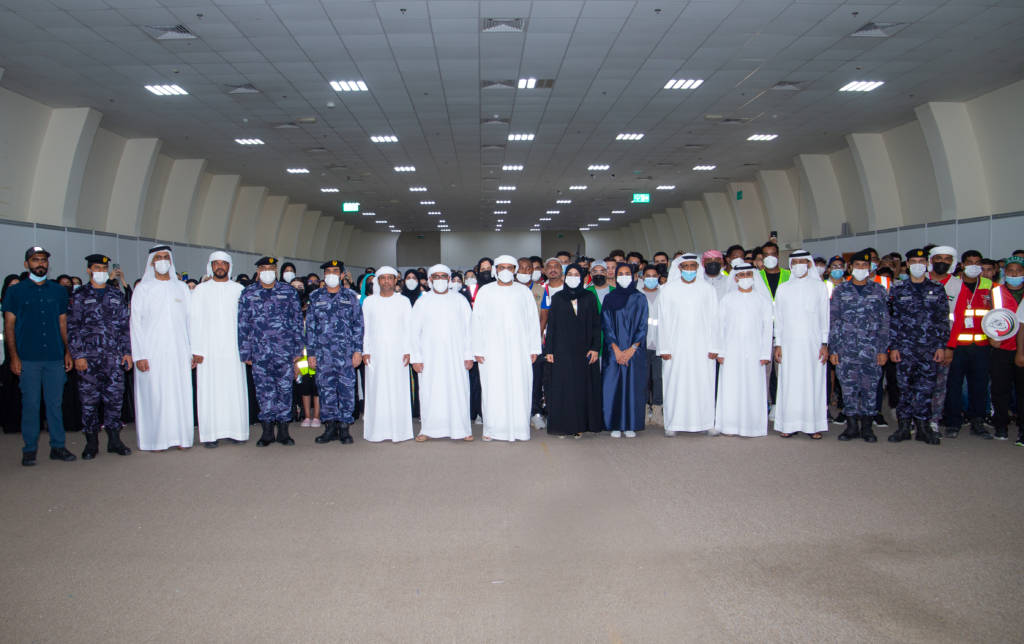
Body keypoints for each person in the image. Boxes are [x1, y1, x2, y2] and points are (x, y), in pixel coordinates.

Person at [3, 247, 76, 465]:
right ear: (27, 264)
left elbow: (63, 324)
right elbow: (9, 326)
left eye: (43, 260)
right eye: (35, 260)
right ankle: (30, 449)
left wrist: (68, 352)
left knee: (54, 404)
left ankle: (58, 447)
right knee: (31, 404)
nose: (40, 264)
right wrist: (14, 357)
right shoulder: (15, 292)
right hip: (28, 358)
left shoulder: (58, 291)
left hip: (54, 357)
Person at [66, 253, 133, 459]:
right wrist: (78, 355)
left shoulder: (116, 295)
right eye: (97, 268)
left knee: (114, 400)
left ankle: (114, 440)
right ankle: (91, 443)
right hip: (89, 359)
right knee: (89, 402)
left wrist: (127, 352)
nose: (101, 272)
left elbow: (124, 327)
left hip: (113, 358)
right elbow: (73, 327)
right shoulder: (79, 296)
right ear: (88, 270)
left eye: (104, 269)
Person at [130, 245, 195, 451]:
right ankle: (156, 440)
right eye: (158, 257)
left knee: (179, 393)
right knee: (155, 395)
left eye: (166, 257)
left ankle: (181, 438)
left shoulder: (181, 288)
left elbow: (190, 322)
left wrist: (193, 350)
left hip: (179, 350)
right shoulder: (143, 289)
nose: (162, 260)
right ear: (151, 262)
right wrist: (139, 355)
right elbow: (136, 323)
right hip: (152, 351)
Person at [471, 255, 541, 442]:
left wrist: (533, 348)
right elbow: (476, 321)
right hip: (491, 351)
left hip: (520, 350)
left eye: (510, 268)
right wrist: (477, 348)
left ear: (515, 270)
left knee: (520, 387)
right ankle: (492, 429)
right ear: (495, 270)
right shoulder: (485, 292)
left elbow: (533, 322)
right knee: (493, 388)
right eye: (501, 267)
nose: (505, 271)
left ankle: (519, 429)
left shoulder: (523, 292)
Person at [237, 257, 304, 446]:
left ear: (276, 270)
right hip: (259, 352)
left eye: (271, 268)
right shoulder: (248, 293)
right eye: (263, 268)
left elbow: (297, 322)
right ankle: (267, 432)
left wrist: (299, 350)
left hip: (285, 351)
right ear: (258, 271)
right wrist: (245, 352)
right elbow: (242, 325)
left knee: (284, 390)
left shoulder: (288, 291)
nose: (267, 271)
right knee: (263, 391)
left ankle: (283, 431)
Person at [888, 248, 948, 445]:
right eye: (913, 261)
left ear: (927, 264)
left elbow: (942, 320)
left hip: (929, 349)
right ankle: (904, 427)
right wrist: (894, 347)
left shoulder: (937, 288)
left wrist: (941, 346)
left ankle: (923, 427)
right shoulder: (898, 289)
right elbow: (893, 319)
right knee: (904, 388)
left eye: (921, 261)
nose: (917, 265)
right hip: (904, 348)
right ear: (907, 265)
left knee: (926, 389)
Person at [829, 250, 890, 443]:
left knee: (870, 388)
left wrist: (883, 350)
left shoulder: (879, 290)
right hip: (846, 349)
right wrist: (834, 349)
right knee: (848, 388)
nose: (861, 269)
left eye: (865, 266)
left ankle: (867, 427)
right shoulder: (841, 291)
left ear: (871, 268)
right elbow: (834, 321)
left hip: (871, 349)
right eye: (857, 266)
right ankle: (852, 426)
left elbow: (884, 322)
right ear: (850, 268)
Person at [189, 251, 248, 448]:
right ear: (211, 266)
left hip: (233, 350)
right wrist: (195, 349)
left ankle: (235, 431)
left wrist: (245, 349)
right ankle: (210, 434)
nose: (220, 267)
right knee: (210, 391)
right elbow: (194, 321)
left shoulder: (239, 289)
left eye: (224, 263)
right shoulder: (200, 290)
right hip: (208, 350)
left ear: (230, 267)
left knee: (233, 390)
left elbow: (246, 322)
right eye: (216, 264)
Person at [655, 254, 718, 436]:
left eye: (693, 266)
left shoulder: (707, 289)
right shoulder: (668, 290)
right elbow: (663, 320)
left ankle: (706, 422)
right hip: (676, 347)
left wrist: (715, 346)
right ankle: (674, 423)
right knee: (676, 384)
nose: (689, 270)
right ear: (679, 268)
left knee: (703, 383)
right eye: (686, 266)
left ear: (698, 268)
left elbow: (714, 319)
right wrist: (664, 348)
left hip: (702, 347)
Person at [410, 264, 474, 441]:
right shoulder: (422, 301)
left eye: (443, 276)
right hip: (430, 357)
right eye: (436, 277)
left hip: (456, 356)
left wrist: (469, 355)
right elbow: (414, 332)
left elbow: (469, 329)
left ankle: (462, 429)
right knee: (430, 391)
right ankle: (428, 429)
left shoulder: (460, 300)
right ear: (430, 280)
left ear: (449, 279)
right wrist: (416, 357)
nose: (439, 280)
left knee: (458, 390)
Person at [773, 250, 829, 438]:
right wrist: (778, 344)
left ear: (809, 264)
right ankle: (788, 425)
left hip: (813, 344)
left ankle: (813, 426)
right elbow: (778, 319)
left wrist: (824, 343)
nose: (798, 265)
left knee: (813, 382)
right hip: (789, 344)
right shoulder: (783, 288)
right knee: (789, 383)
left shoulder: (819, 287)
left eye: (802, 261)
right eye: (794, 262)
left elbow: (825, 317)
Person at [306, 260, 364, 445]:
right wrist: (311, 353)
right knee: (326, 391)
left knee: (346, 391)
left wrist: (358, 350)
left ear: (341, 275)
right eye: (328, 271)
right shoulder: (315, 297)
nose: (331, 274)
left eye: (335, 271)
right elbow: (311, 328)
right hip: (323, 355)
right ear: (324, 275)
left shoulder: (351, 297)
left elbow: (358, 325)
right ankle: (330, 427)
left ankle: (345, 428)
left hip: (346, 354)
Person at [713, 263, 773, 437]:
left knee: (753, 387)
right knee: (731, 387)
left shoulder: (762, 300)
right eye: (742, 275)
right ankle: (730, 425)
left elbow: (767, 328)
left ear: (753, 277)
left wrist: (764, 353)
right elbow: (720, 327)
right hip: (730, 351)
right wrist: (721, 352)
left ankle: (753, 426)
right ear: (736, 278)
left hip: (755, 351)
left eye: (749, 274)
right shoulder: (727, 299)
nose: (745, 278)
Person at [543, 264, 603, 437]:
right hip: (562, 351)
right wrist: (549, 350)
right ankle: (563, 425)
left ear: (583, 276)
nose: (573, 277)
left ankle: (579, 426)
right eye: (570, 274)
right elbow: (551, 325)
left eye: (577, 274)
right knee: (564, 389)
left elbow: (596, 325)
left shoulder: (589, 297)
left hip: (584, 351)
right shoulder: (558, 297)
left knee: (581, 390)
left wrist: (595, 348)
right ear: (564, 276)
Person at [942, 249, 994, 439]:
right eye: (969, 262)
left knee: (979, 386)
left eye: (977, 262)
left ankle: (977, 421)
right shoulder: (952, 285)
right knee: (953, 385)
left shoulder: (989, 286)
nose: (974, 266)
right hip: (956, 345)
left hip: (981, 346)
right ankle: (953, 422)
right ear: (962, 265)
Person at [362, 266, 414, 442]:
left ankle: (399, 431)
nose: (386, 281)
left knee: (397, 390)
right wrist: (365, 350)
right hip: (375, 353)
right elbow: (365, 329)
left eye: (390, 278)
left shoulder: (404, 301)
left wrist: (408, 350)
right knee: (377, 390)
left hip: (398, 353)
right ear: (378, 281)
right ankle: (377, 431)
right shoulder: (369, 302)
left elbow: (409, 328)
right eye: (382, 278)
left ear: (395, 280)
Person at [601, 263, 648, 438]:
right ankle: (614, 424)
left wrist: (632, 349)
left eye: (627, 273)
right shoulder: (609, 298)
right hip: (614, 351)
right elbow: (606, 325)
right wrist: (616, 349)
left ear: (633, 275)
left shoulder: (640, 298)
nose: (623, 276)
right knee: (613, 386)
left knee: (632, 387)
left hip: (634, 352)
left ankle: (630, 424)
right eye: (620, 273)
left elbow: (643, 326)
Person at [989, 255, 1023, 441]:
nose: (1014, 274)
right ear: (1004, 272)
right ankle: (1000, 425)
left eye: (1018, 271)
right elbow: (986, 318)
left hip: (1023, 350)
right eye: (1010, 271)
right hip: (1002, 348)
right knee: (1000, 389)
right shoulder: (995, 292)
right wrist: (992, 337)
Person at [640, 265, 664, 426]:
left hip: (660, 344)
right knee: (643, 379)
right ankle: (642, 411)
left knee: (658, 378)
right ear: (642, 277)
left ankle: (657, 412)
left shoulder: (665, 293)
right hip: (642, 344)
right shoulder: (637, 295)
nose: (651, 278)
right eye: (647, 275)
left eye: (654, 275)